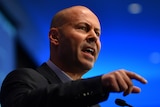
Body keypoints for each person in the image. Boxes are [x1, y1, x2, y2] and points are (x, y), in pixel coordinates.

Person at [0, 5, 147, 107]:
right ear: (55, 37)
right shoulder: (24, 79)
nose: (94, 38)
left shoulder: (93, 103)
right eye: (83, 28)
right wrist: (99, 83)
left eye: (98, 33)